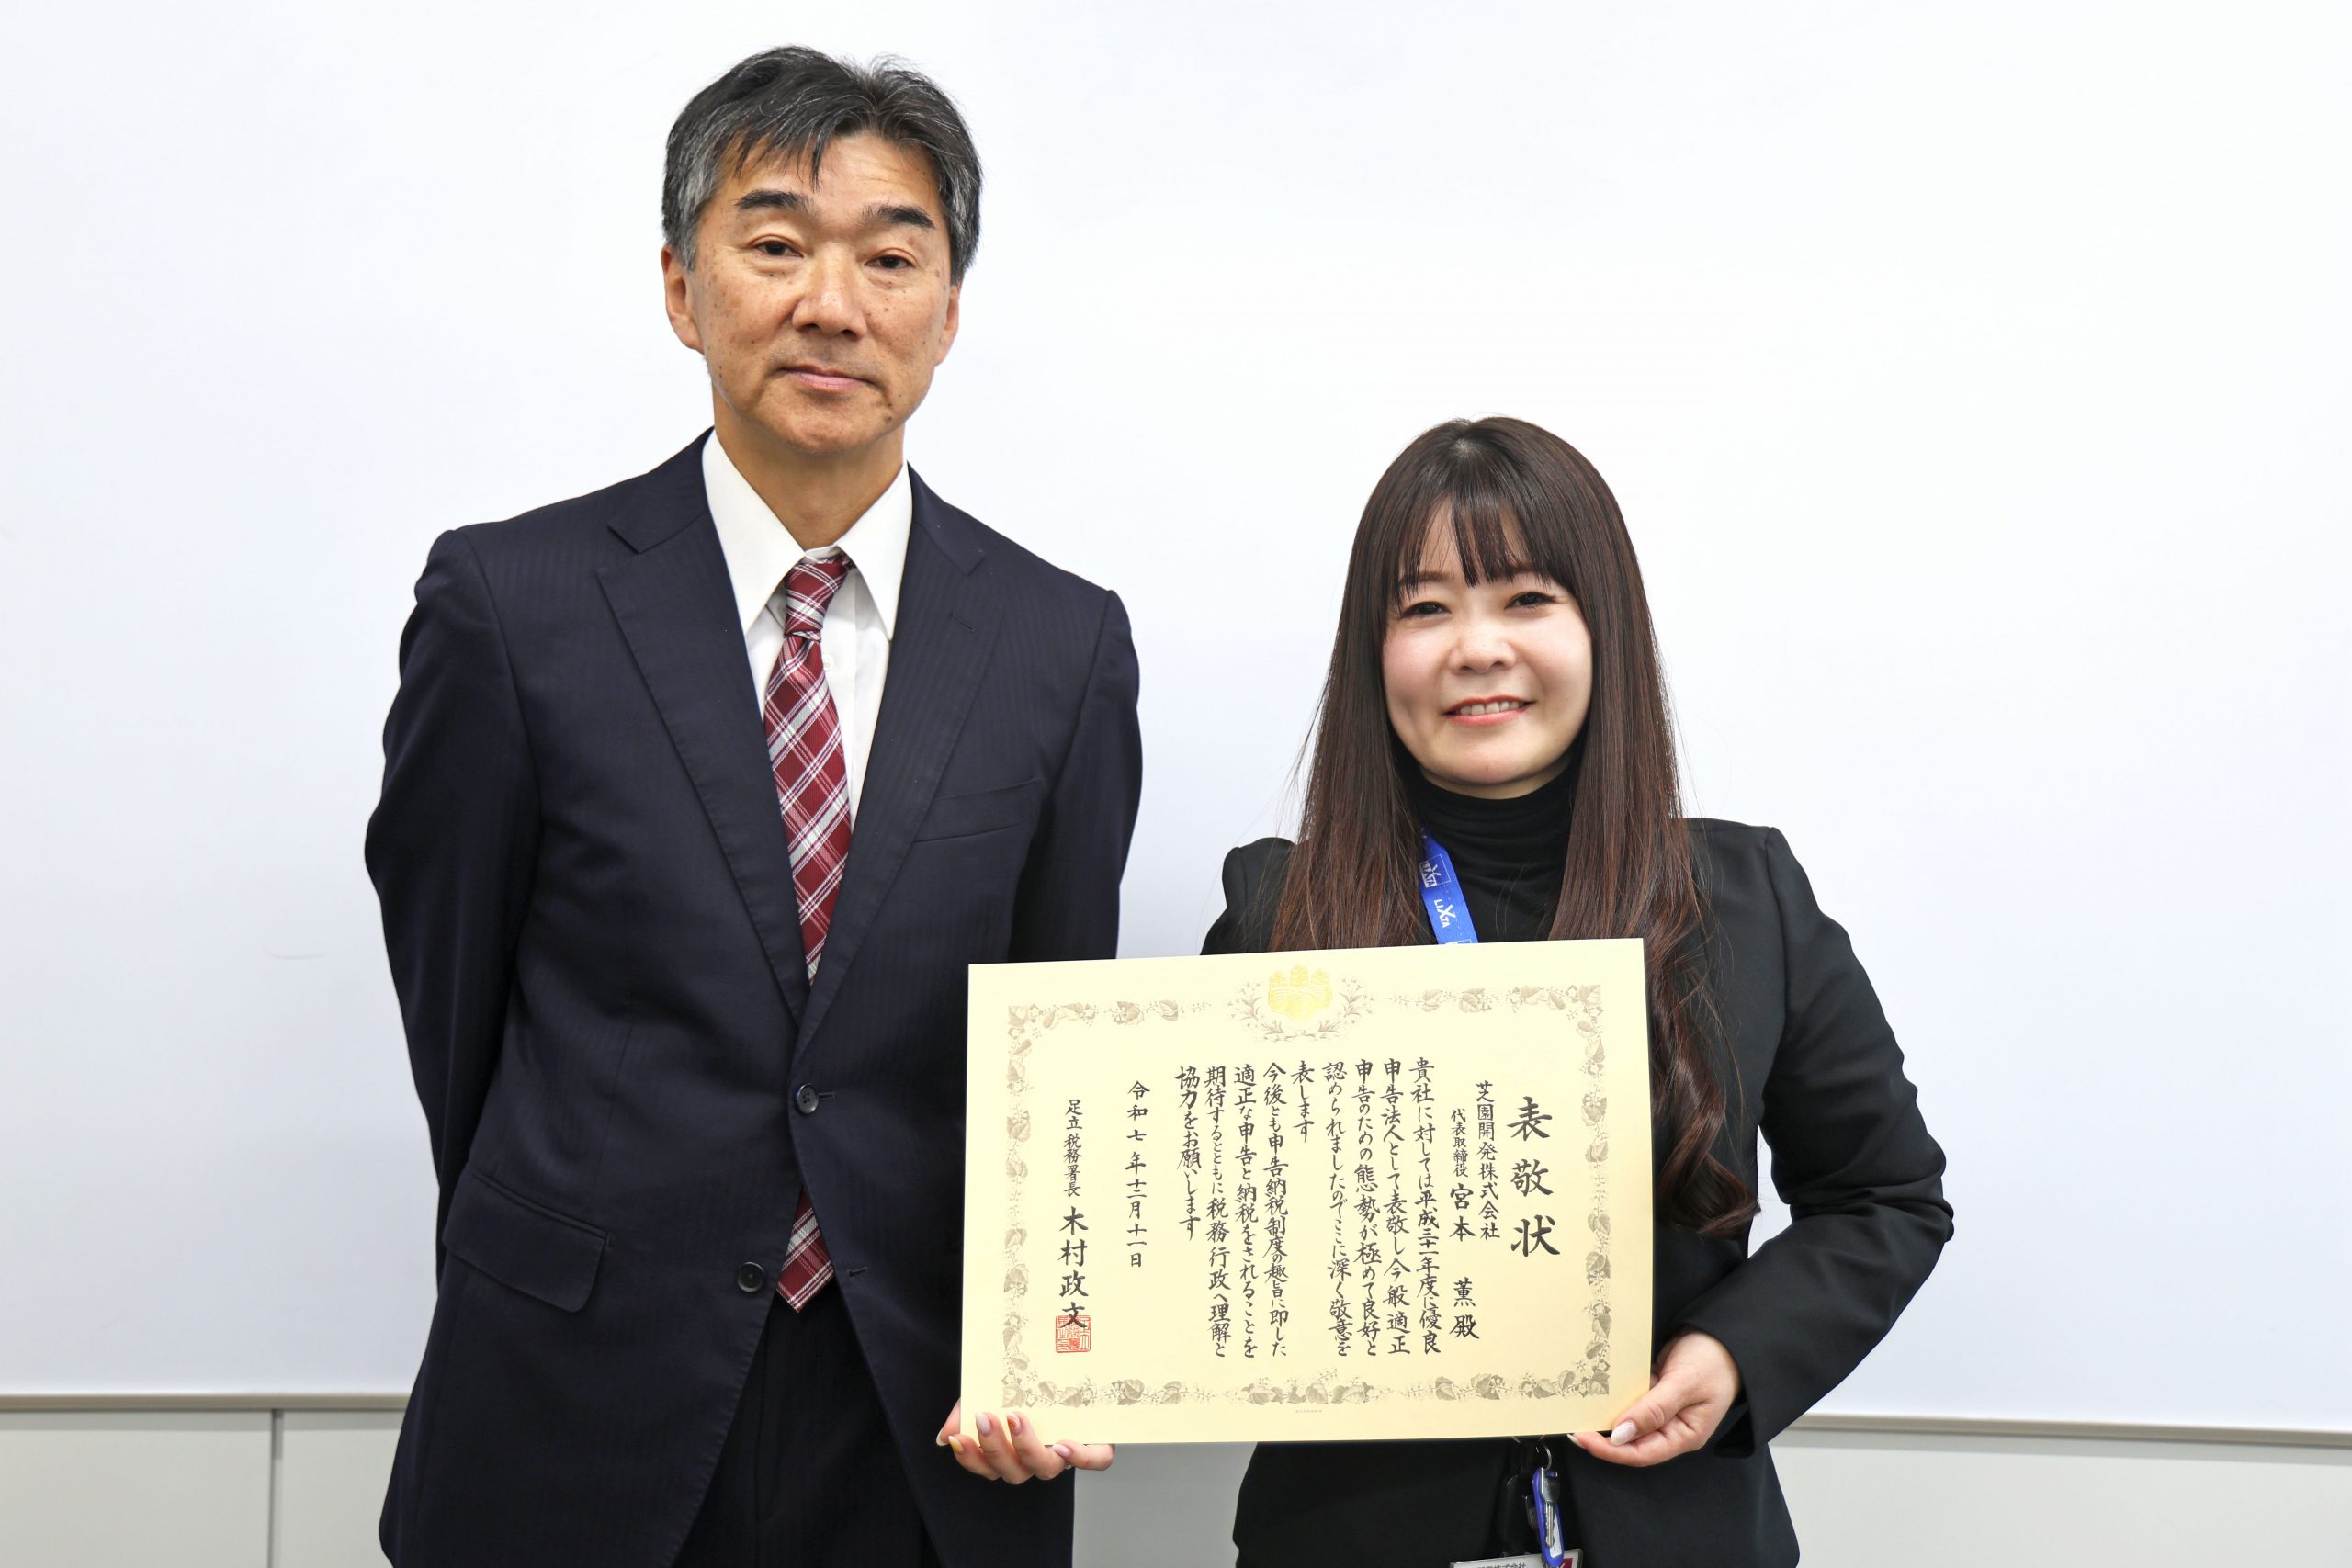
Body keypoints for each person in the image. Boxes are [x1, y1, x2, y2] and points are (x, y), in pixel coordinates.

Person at [367, 48, 1134, 1568]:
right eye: (776, 244)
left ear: (948, 311)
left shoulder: (1060, 641)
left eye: (891, 258)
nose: (832, 304)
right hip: (578, 1383)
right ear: (682, 286)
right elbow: (456, 1013)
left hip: (920, 1413)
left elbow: (1055, 1044)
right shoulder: (511, 605)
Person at [1203, 417, 1951, 1567]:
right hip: (1353, 1533)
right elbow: (1194, 1242)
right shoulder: (1276, 918)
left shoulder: (1742, 899)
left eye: (1526, 598)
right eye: (1424, 609)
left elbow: (1884, 1196)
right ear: (1372, 653)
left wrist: (1732, 1355)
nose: (1477, 647)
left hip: (1675, 1523)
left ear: (1604, 628)